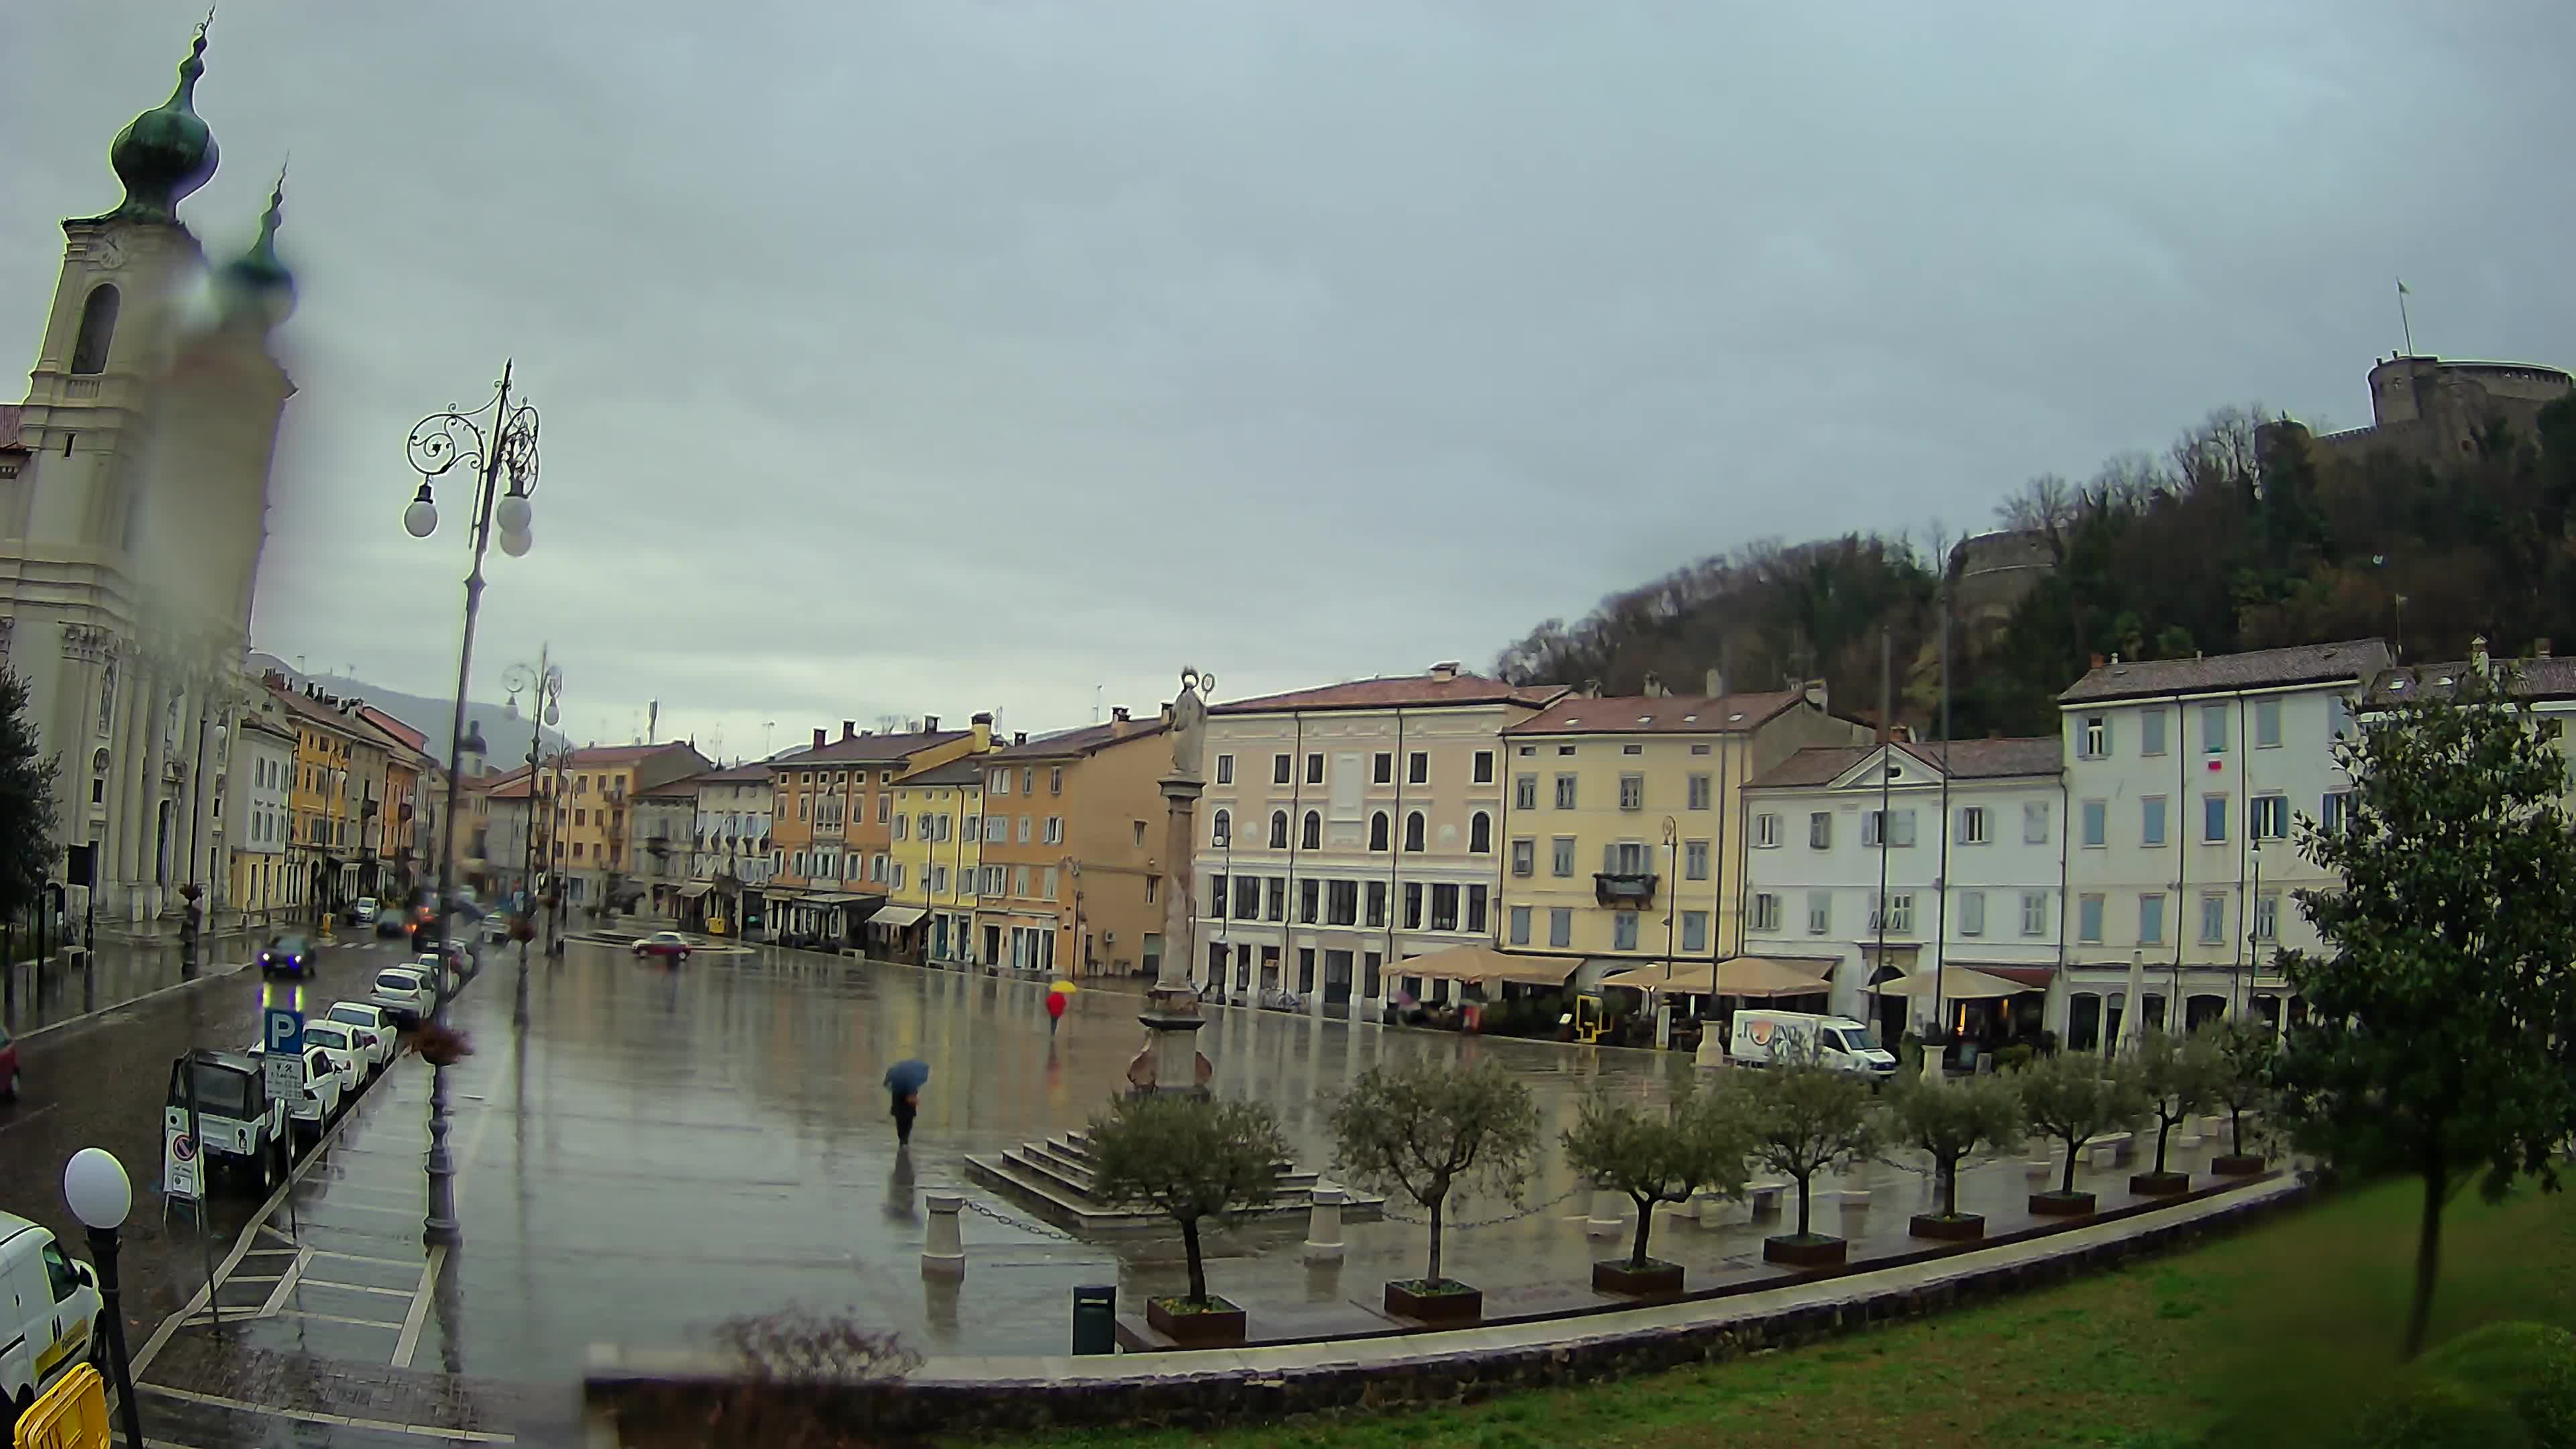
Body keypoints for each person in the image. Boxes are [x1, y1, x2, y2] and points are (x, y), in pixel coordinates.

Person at [883, 1058, 930, 1145]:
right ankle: (904, 1139)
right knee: (908, 1121)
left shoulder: (895, 1078)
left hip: (898, 1106)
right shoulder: (914, 1080)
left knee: (900, 1122)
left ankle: (902, 1139)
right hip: (908, 1107)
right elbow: (913, 1098)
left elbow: (886, 1084)